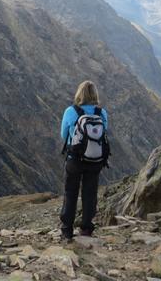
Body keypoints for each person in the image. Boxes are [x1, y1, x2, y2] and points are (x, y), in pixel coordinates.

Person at [59, 80, 109, 241]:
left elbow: (63, 134)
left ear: (79, 93)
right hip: (95, 159)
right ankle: (87, 228)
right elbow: (103, 133)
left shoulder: (70, 111)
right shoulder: (102, 113)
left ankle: (67, 230)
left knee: (70, 192)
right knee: (90, 193)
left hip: (75, 158)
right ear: (95, 94)